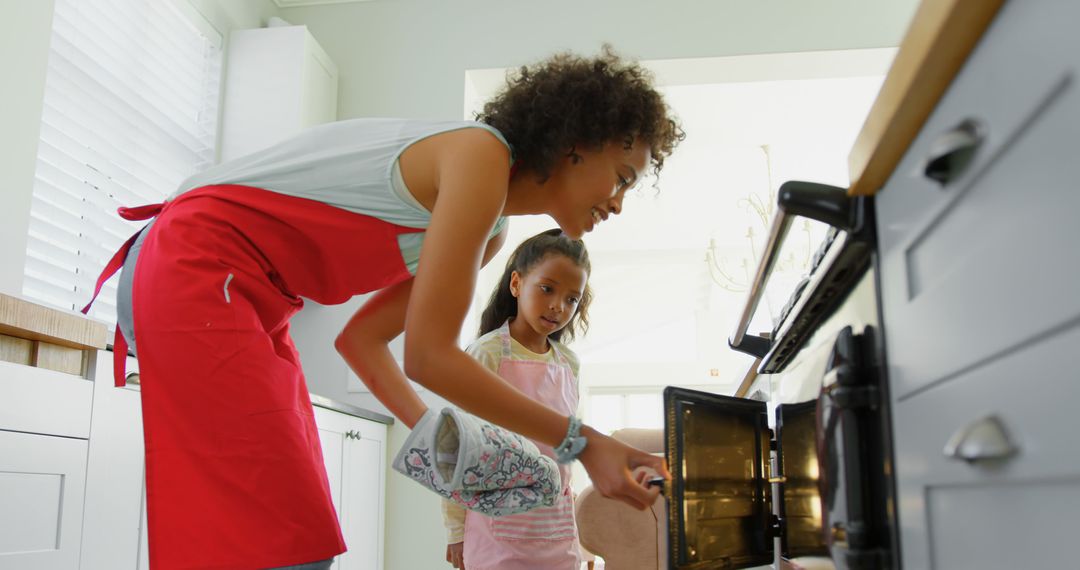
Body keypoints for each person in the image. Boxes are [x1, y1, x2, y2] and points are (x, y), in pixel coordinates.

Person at [84, 46, 683, 570]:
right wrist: (583, 443)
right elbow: (429, 357)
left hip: (256, 298)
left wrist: (442, 442)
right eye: (623, 177)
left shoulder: (492, 226)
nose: (621, 203)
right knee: (274, 542)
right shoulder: (479, 158)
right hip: (197, 266)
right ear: (577, 142)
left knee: (301, 534)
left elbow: (362, 340)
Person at [443, 228, 592, 570]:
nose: (558, 306)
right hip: (497, 535)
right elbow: (456, 447)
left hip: (556, 533)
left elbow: (568, 450)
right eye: (547, 289)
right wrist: (455, 530)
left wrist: (579, 533)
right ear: (516, 284)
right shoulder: (487, 353)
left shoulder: (568, 363)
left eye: (572, 298)